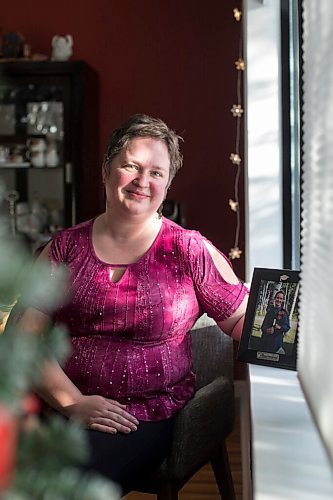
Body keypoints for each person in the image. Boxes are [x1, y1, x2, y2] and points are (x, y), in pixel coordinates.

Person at [18, 114, 248, 495]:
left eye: (157, 172)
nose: (143, 181)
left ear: (168, 183)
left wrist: (291, 328)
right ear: (107, 170)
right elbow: (27, 338)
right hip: (61, 406)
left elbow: (244, 320)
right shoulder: (64, 248)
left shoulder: (189, 249)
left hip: (142, 416)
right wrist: (73, 402)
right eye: (131, 166)